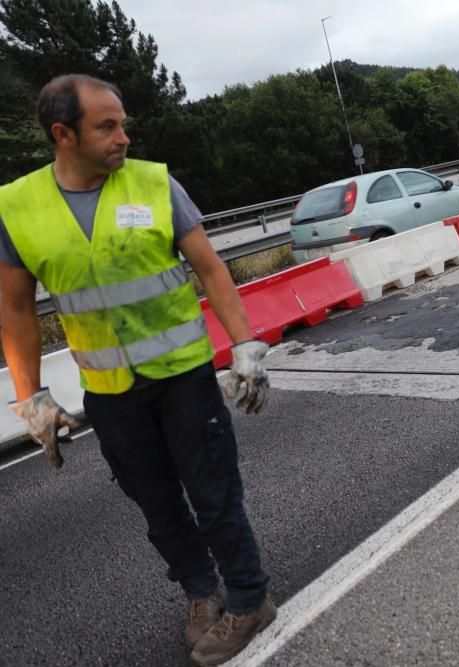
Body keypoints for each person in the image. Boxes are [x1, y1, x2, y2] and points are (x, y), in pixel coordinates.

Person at [0, 74, 274, 666]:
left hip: (182, 377)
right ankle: (202, 592)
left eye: (122, 123)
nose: (124, 136)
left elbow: (211, 268)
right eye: (107, 126)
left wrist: (246, 346)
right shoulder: (15, 206)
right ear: (62, 134)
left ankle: (249, 598)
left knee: (213, 493)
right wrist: (31, 397)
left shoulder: (153, 182)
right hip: (109, 392)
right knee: (156, 503)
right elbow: (16, 308)